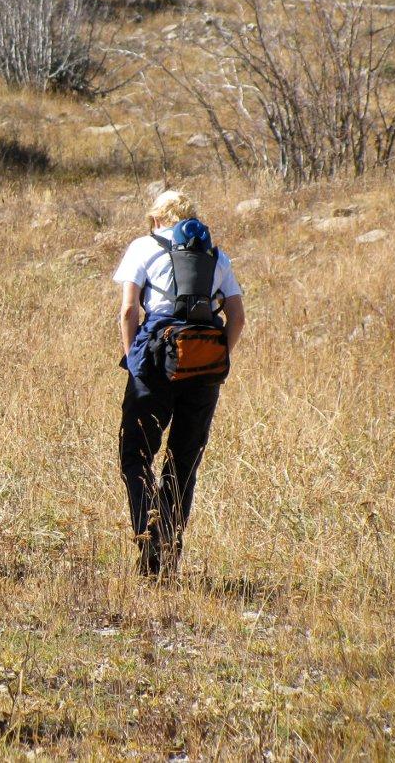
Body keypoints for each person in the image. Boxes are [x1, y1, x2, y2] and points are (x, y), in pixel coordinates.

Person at [114, 189, 246, 578]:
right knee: (183, 461)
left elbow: (128, 310)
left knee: (135, 453)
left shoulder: (143, 246)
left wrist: (134, 360)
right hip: (204, 367)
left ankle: (147, 538)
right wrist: (219, 358)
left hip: (155, 361)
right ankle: (167, 554)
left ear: (156, 219)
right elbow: (237, 317)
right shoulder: (215, 256)